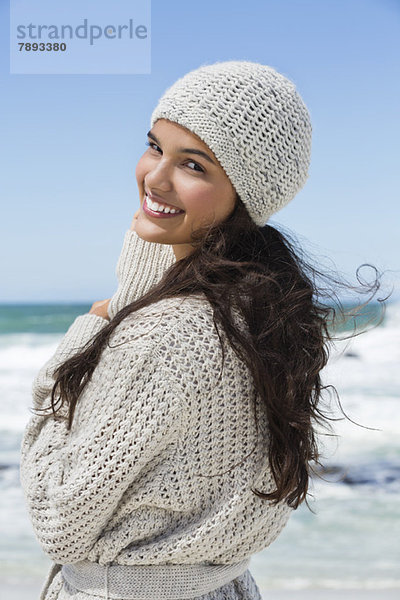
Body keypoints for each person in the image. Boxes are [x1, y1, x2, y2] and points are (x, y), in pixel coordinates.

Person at [19, 60, 381, 600]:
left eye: (193, 165)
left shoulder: (166, 336)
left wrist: (82, 342)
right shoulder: (258, 315)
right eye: (154, 146)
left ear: (246, 193)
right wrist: (146, 263)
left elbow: (60, 524)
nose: (155, 176)